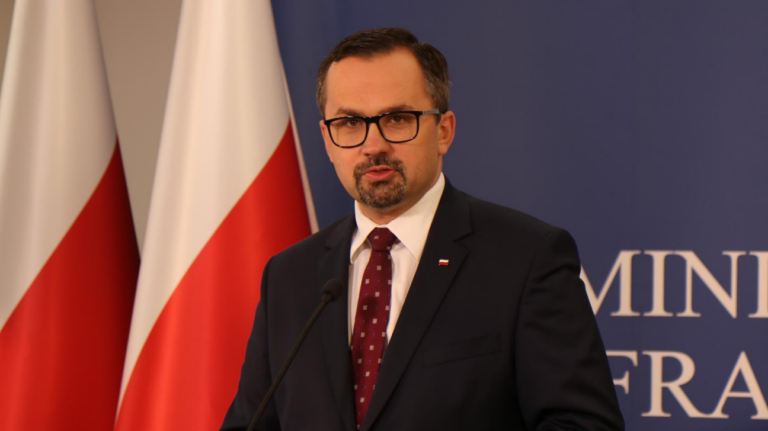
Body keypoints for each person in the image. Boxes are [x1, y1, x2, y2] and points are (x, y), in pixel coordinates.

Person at [221, 28, 624, 431]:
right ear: (327, 140)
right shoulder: (289, 276)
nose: (373, 145)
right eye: (350, 122)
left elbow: (583, 424)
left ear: (444, 131)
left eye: (397, 119)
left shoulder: (525, 259)